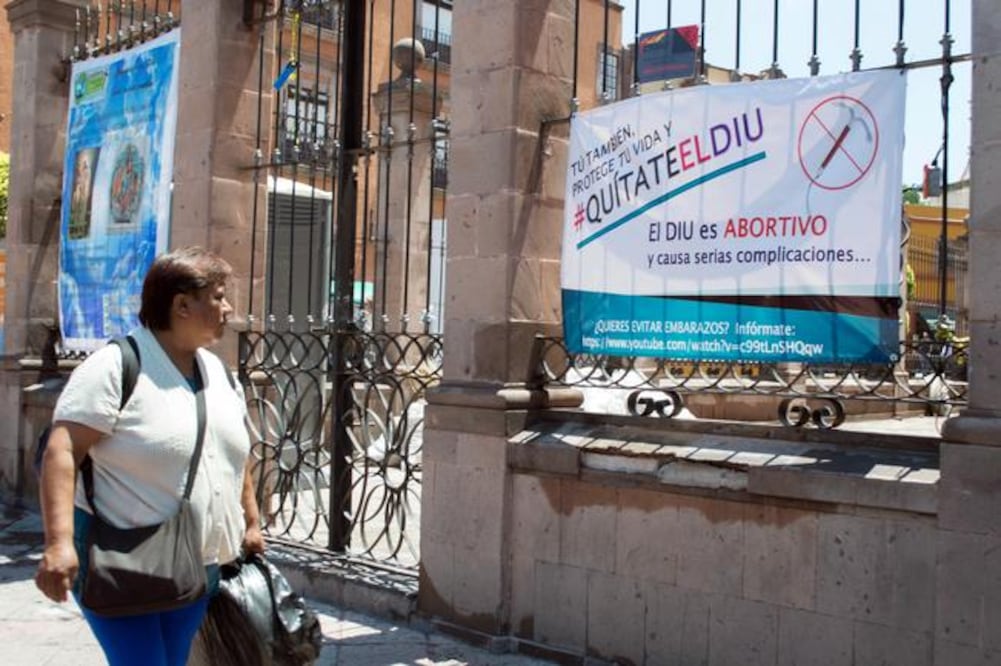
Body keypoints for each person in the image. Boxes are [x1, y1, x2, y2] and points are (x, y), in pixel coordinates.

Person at [34, 246, 266, 666]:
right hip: (124, 562)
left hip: (199, 564)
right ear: (181, 304)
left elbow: (232, 453)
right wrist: (58, 544)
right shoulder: (116, 366)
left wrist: (250, 521)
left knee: (173, 660)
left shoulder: (218, 371)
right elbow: (62, 449)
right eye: (218, 296)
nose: (229, 307)